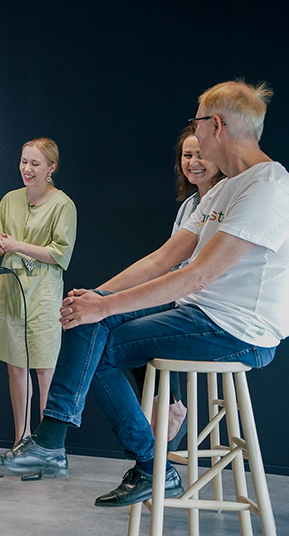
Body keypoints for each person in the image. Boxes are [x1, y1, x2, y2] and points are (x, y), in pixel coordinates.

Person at [0, 80, 288, 508]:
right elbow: (164, 258)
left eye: (197, 122)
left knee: (99, 346)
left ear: (216, 125)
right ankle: (50, 443)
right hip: (199, 313)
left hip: (238, 331)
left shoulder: (266, 186)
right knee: (87, 319)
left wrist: (105, 305)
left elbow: (197, 275)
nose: (194, 134)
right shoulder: (223, 189)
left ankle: (148, 465)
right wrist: (97, 297)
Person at [129, 126, 225, 451]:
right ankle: (168, 402)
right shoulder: (188, 206)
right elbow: (170, 260)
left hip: (205, 304)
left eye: (200, 155)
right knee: (122, 322)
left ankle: (167, 407)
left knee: (127, 330)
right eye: (187, 155)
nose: (193, 162)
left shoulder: (225, 202)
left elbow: (201, 269)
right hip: (179, 294)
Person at [0, 138, 77, 443]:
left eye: (35, 163)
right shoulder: (9, 200)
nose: (27, 168)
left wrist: (17, 245)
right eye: (24, 161)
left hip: (43, 293)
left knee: (45, 370)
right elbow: (0, 237)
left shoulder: (63, 205)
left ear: (51, 168)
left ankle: (47, 444)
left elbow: (60, 254)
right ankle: (21, 440)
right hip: (10, 289)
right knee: (16, 367)